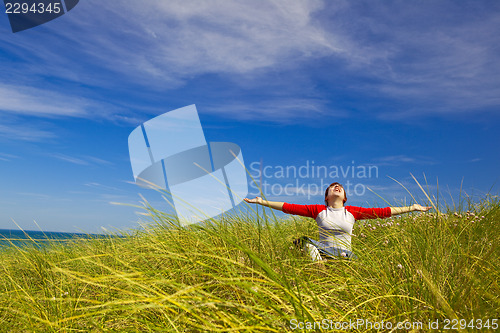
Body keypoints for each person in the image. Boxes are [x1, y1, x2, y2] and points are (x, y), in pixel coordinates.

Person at [244, 182, 431, 261]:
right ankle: (319, 269)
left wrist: (412, 208)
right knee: (303, 241)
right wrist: (262, 202)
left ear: (345, 197)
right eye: (333, 187)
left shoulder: (352, 212)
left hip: (344, 255)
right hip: (321, 253)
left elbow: (383, 212)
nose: (337, 186)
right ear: (326, 197)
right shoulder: (318, 211)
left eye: (340, 187)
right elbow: (289, 207)